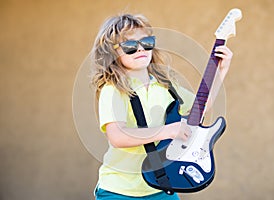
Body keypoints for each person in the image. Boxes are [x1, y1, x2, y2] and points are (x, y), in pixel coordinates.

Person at [90, 13, 233, 200]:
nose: (140, 49)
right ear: (112, 53)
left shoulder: (165, 84)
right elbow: (117, 136)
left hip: (161, 186)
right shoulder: (113, 88)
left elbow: (200, 109)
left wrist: (221, 70)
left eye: (146, 42)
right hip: (119, 190)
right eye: (130, 46)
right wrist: (167, 131)